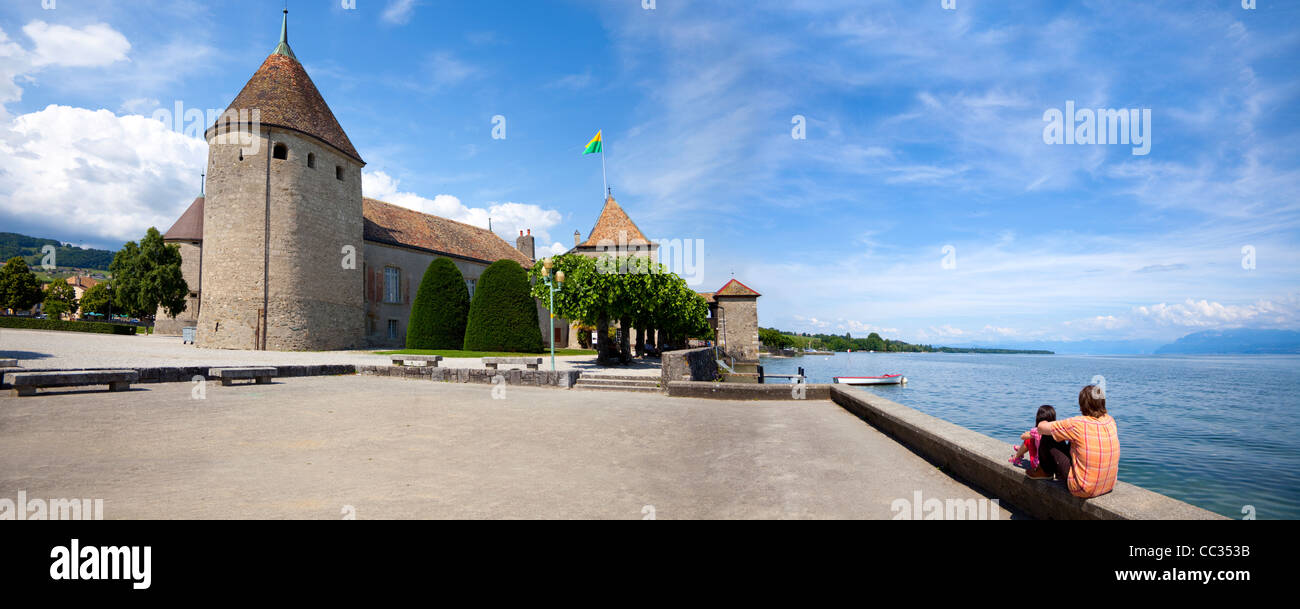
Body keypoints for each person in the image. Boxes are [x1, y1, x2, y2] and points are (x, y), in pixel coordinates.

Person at [1032, 384, 1120, 498]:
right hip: (1108, 484)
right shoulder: (1110, 421)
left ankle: (1045, 472)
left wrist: (1043, 422)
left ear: (1082, 404)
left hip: (1082, 488)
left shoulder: (1077, 424)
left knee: (1049, 436)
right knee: (1069, 439)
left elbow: (1041, 428)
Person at [1010, 405, 1057, 469]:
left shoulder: (1037, 430)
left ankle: (1016, 457)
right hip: (1053, 467)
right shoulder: (1056, 431)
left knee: (1029, 440)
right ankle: (1020, 449)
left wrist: (1029, 433)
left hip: (1038, 466)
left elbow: (1022, 437)